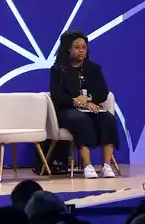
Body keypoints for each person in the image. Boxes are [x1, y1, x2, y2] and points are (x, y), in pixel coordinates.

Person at [49, 30, 118, 178]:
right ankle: (88, 165)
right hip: (67, 110)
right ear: (68, 49)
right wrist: (80, 103)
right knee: (81, 120)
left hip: (91, 107)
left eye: (84, 47)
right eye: (77, 47)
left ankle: (106, 165)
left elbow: (103, 92)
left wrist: (88, 99)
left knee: (108, 119)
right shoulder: (58, 70)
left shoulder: (94, 69)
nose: (81, 51)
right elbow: (57, 96)